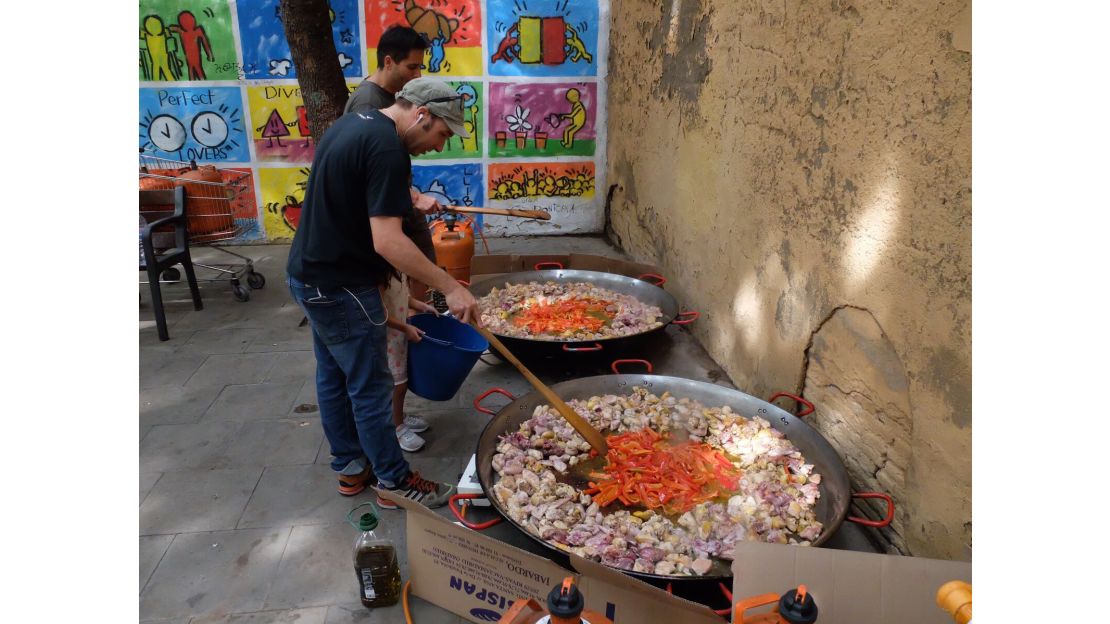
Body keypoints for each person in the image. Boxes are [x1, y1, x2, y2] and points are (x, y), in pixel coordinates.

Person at [287, 78, 478, 509]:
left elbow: (354, 213)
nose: (439, 145)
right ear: (421, 115)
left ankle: (351, 470)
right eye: (441, 134)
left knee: (334, 377)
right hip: (340, 287)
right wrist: (450, 286)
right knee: (371, 387)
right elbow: (388, 241)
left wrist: (402, 298)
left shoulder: (356, 123)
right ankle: (394, 482)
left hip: (309, 275)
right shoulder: (388, 149)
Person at [344, 25, 445, 452]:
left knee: (396, 333)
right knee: (384, 356)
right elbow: (381, 231)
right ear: (388, 61)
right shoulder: (371, 110)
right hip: (357, 267)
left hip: (370, 265)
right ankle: (385, 447)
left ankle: (393, 416)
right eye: (410, 67)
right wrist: (451, 287)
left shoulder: (385, 115)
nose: (414, 76)